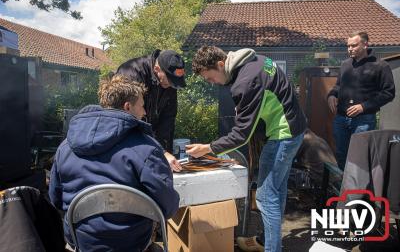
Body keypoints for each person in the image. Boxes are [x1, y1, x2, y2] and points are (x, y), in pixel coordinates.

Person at [187, 46, 307, 252]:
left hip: (282, 135)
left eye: (210, 77)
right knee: (277, 189)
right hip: (295, 128)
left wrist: (208, 148)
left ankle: (271, 247)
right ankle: (270, 240)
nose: (211, 83)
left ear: (220, 64)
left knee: (265, 196)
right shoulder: (256, 60)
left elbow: (242, 135)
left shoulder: (246, 81)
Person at [49, 75, 179, 252]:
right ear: (127, 106)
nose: (145, 112)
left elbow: (56, 199)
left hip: (81, 244)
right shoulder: (146, 147)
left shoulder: (65, 147)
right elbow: (168, 207)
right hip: (133, 245)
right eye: (142, 106)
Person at [327, 31, 395, 170]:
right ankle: (343, 188)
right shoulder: (345, 64)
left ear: (365, 44)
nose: (350, 49)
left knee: (360, 157)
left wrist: (363, 106)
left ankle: (359, 190)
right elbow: (338, 86)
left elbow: (389, 93)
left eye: (354, 45)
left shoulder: (380, 65)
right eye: (348, 46)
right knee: (341, 155)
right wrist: (332, 95)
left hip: (363, 120)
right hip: (341, 119)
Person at [116, 50, 186, 172]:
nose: (171, 85)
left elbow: (168, 120)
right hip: (127, 144)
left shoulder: (168, 81)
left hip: (150, 141)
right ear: (157, 68)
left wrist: (166, 156)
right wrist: (161, 152)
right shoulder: (131, 73)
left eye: (174, 82)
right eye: (169, 80)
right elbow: (128, 123)